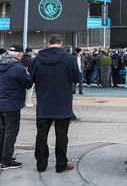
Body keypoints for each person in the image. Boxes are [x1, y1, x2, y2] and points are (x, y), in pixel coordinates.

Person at [31, 34, 82, 173]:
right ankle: (61, 165)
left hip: (44, 103)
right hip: (63, 103)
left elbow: (32, 79)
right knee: (61, 136)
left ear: (49, 44)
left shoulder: (38, 59)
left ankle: (41, 165)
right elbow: (77, 77)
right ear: (61, 44)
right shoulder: (69, 58)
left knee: (41, 134)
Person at [0, 44, 33, 170]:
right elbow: (28, 84)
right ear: (19, 54)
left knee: (3, 131)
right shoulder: (18, 67)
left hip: (0, 102)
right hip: (12, 104)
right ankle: (6, 161)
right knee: (11, 132)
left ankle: (1, 156)